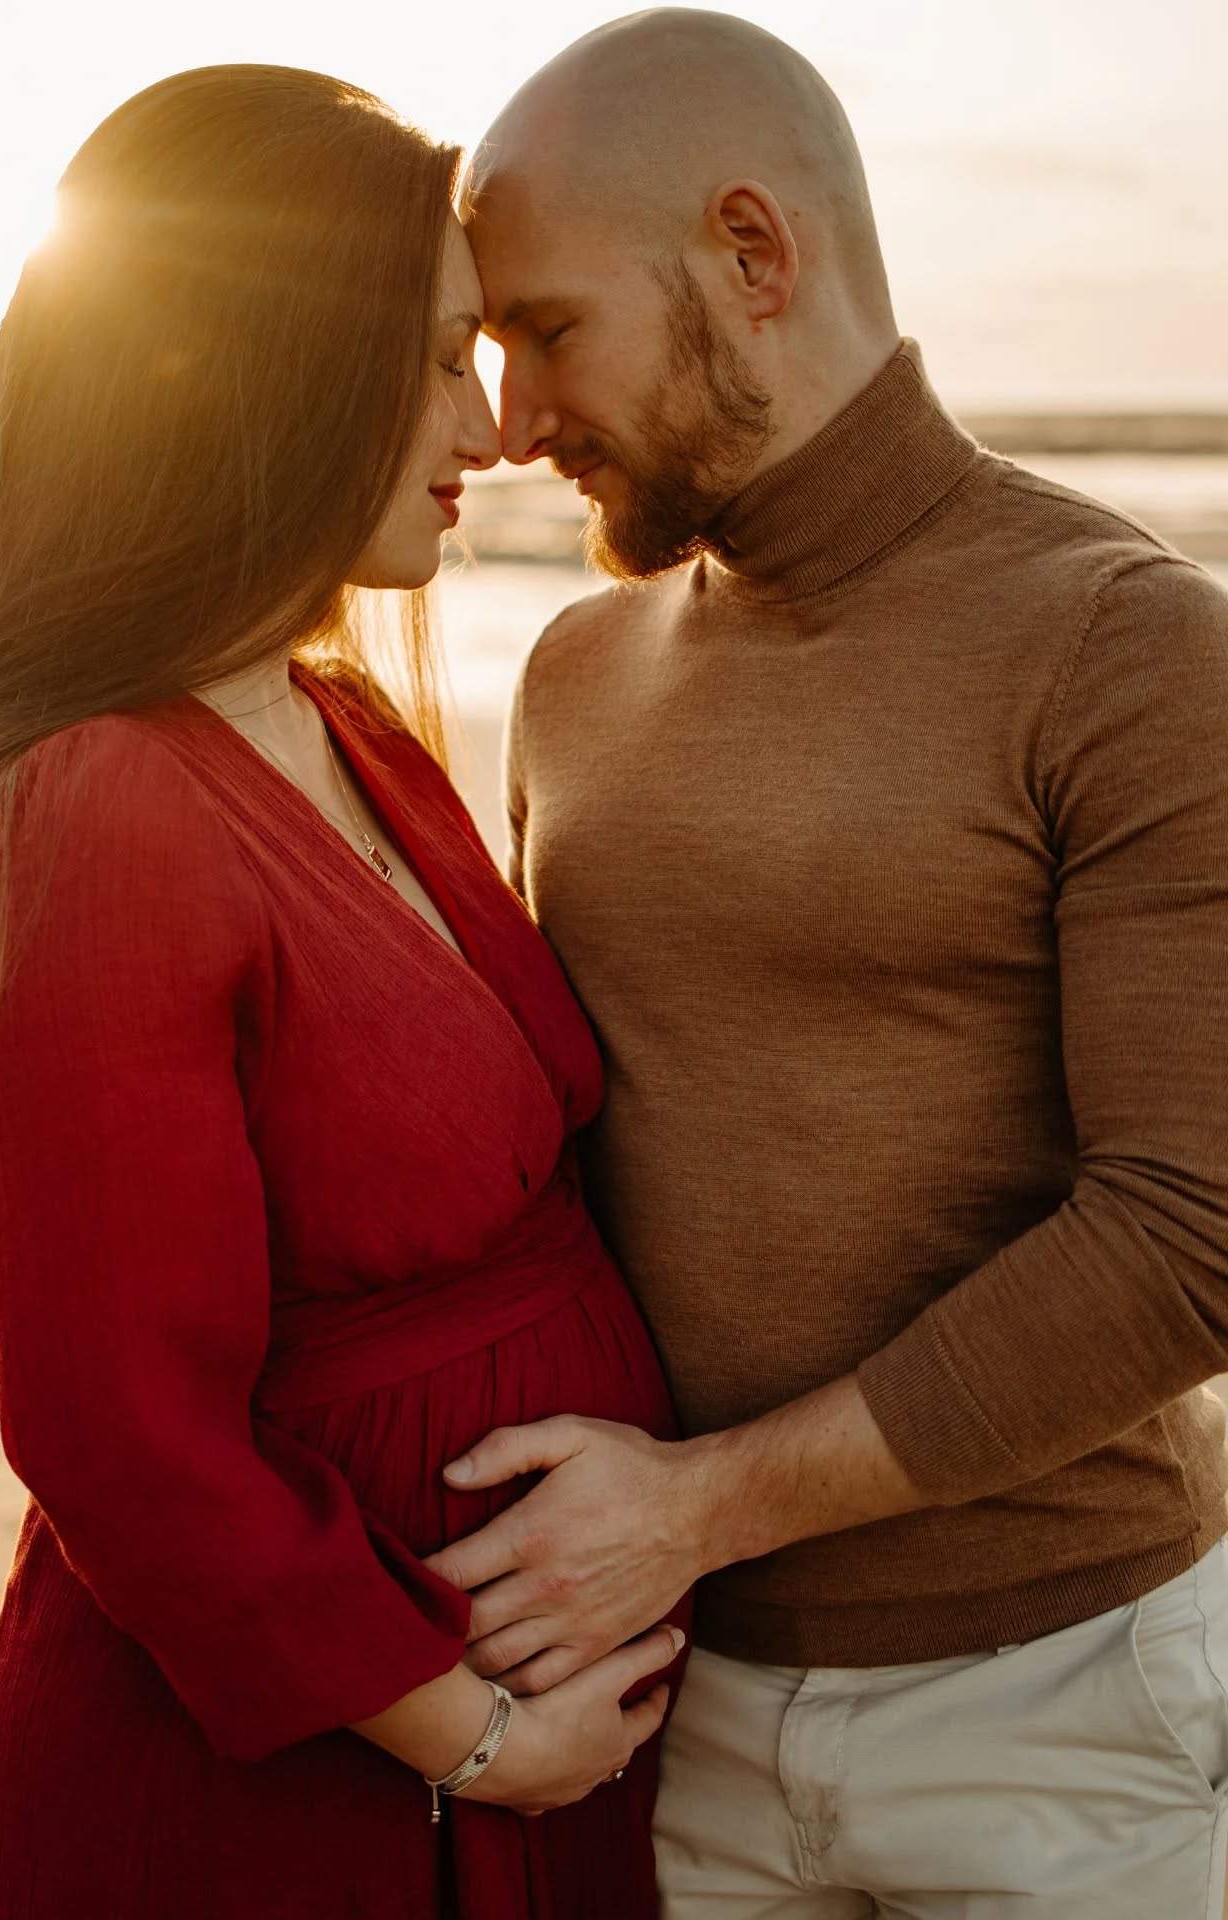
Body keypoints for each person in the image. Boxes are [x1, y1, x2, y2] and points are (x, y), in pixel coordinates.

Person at [0, 64, 687, 1920]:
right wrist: (480, 1739)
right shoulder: (101, 803)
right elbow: (117, 1434)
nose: (492, 427)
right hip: (300, 1791)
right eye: (442, 356)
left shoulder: (349, 724)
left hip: (503, 1743)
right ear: (276, 361)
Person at [426, 12, 1228, 1915]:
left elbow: (1197, 1233)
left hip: (1066, 1709)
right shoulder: (573, 677)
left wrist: (697, 1508)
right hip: (663, 1705)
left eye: (549, 330)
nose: (516, 423)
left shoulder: (1130, 645)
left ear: (751, 253)